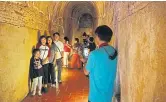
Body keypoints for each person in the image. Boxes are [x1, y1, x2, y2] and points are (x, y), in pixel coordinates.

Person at [82, 25, 118, 102]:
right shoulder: (113, 51)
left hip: (95, 97)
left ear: (98, 37)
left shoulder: (94, 54)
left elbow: (86, 72)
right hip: (108, 95)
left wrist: (85, 62)